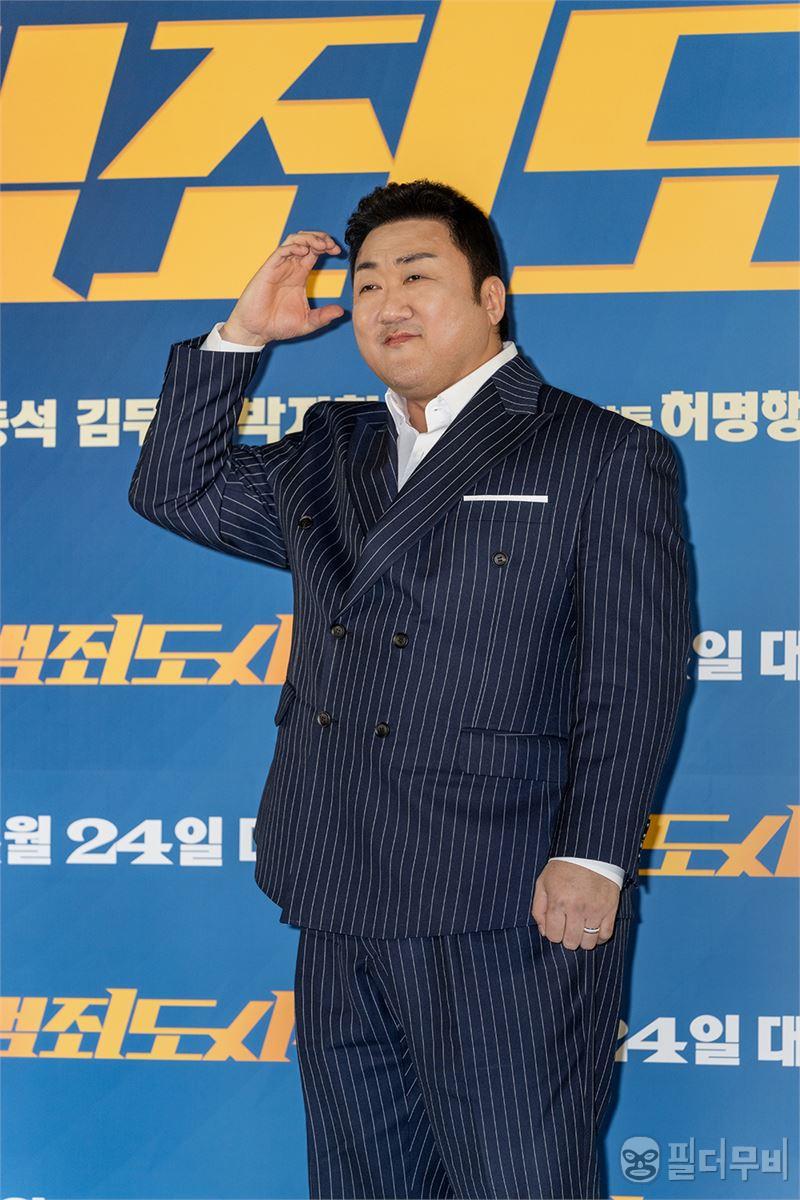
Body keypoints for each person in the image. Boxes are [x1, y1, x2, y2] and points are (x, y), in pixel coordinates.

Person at [128, 179, 692, 1200]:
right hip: (337, 883)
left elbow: (633, 676)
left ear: (490, 298)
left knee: (519, 1180)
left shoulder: (598, 451)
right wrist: (241, 336)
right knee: (362, 1184)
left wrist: (594, 852)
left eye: (417, 276)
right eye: (367, 283)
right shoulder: (329, 450)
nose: (387, 302)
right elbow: (177, 489)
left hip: (505, 897)